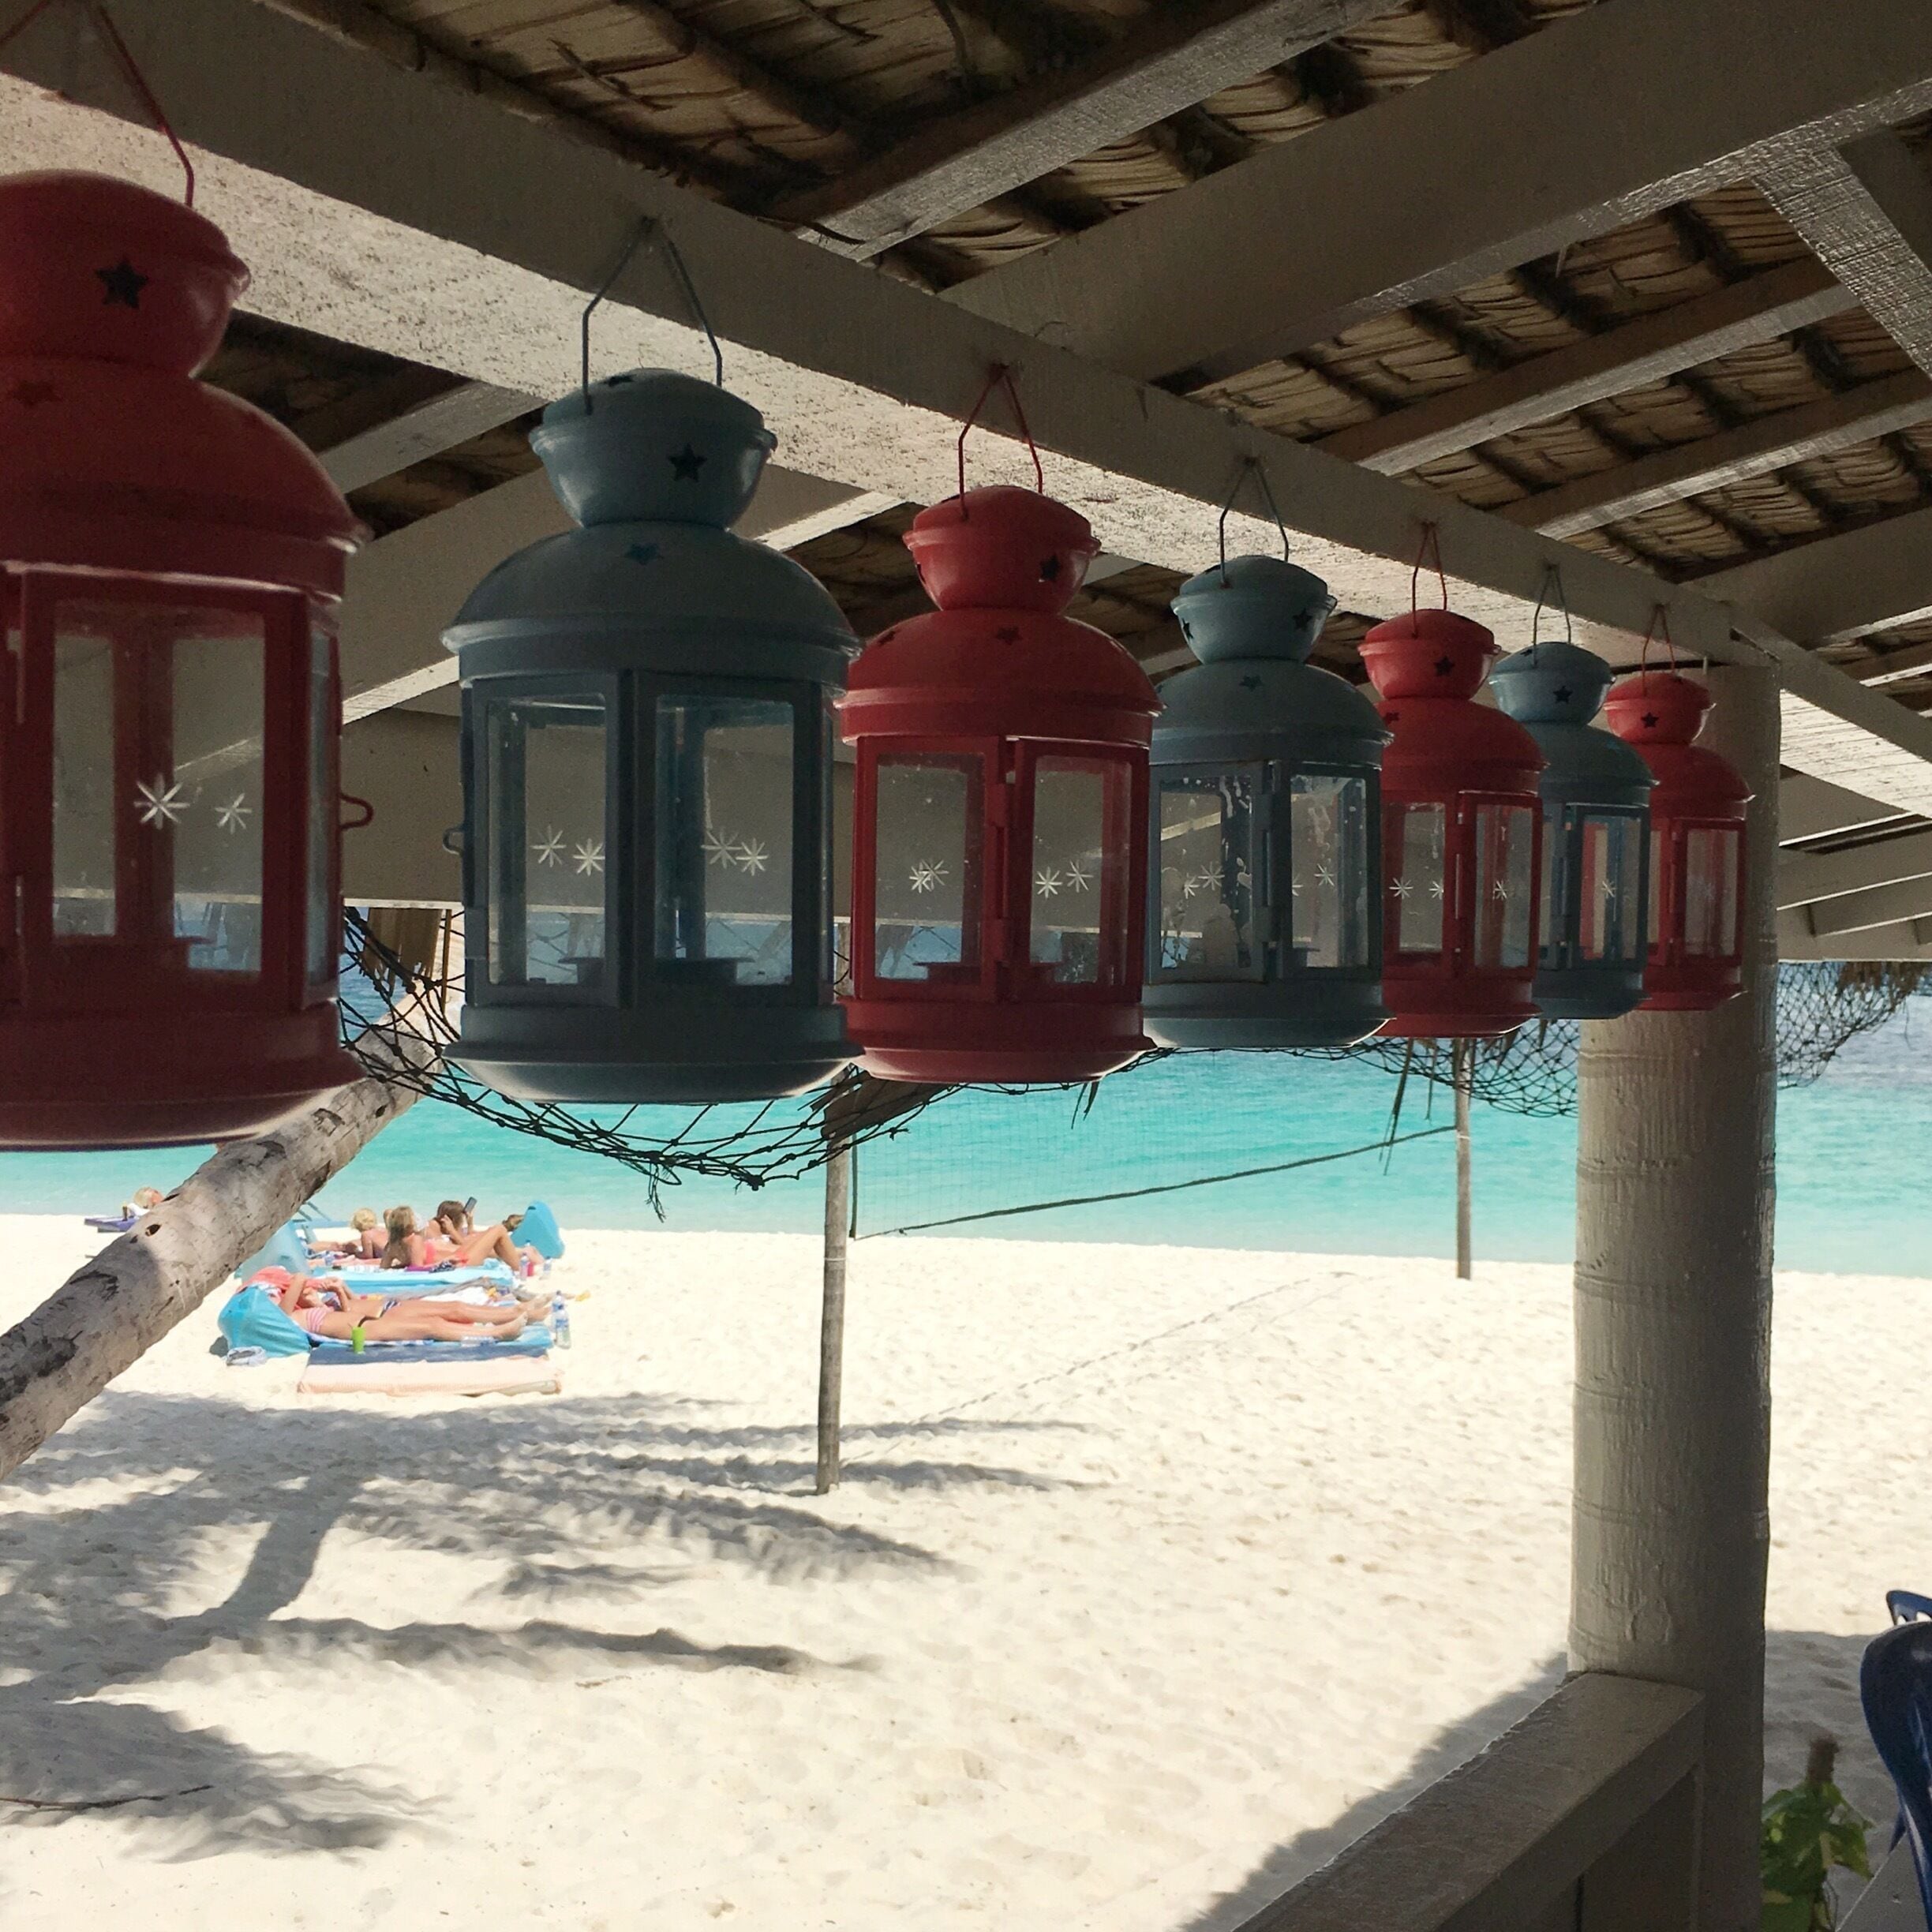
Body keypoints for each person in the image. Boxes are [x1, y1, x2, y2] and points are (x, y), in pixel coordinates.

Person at [260, 1270, 533, 1344]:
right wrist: (299, 1281)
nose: (309, 1290)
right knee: (433, 1326)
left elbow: (351, 1310)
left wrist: (334, 1291)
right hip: (365, 1329)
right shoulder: (291, 1316)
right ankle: (496, 1334)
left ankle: (513, 1315)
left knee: (452, 1310)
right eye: (304, 1291)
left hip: (369, 1323)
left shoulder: (315, 1309)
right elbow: (285, 1309)